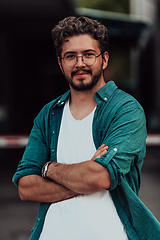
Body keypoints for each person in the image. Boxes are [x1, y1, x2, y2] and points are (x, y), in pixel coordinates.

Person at [12, 16, 160, 240]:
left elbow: (101, 178)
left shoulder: (125, 110)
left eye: (88, 54)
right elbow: (25, 187)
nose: (80, 63)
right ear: (60, 63)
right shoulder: (49, 114)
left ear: (104, 59)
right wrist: (85, 175)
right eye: (70, 56)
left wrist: (48, 169)